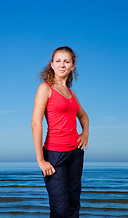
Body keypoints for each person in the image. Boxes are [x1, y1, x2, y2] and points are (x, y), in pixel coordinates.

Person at [31, 46, 89, 218]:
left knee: (73, 206)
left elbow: (84, 116)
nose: (62, 65)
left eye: (66, 61)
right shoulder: (45, 88)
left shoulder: (71, 93)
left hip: (75, 153)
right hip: (54, 154)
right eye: (58, 61)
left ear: (72, 66)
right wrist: (41, 160)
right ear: (52, 64)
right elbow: (35, 123)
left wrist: (85, 134)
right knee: (60, 209)